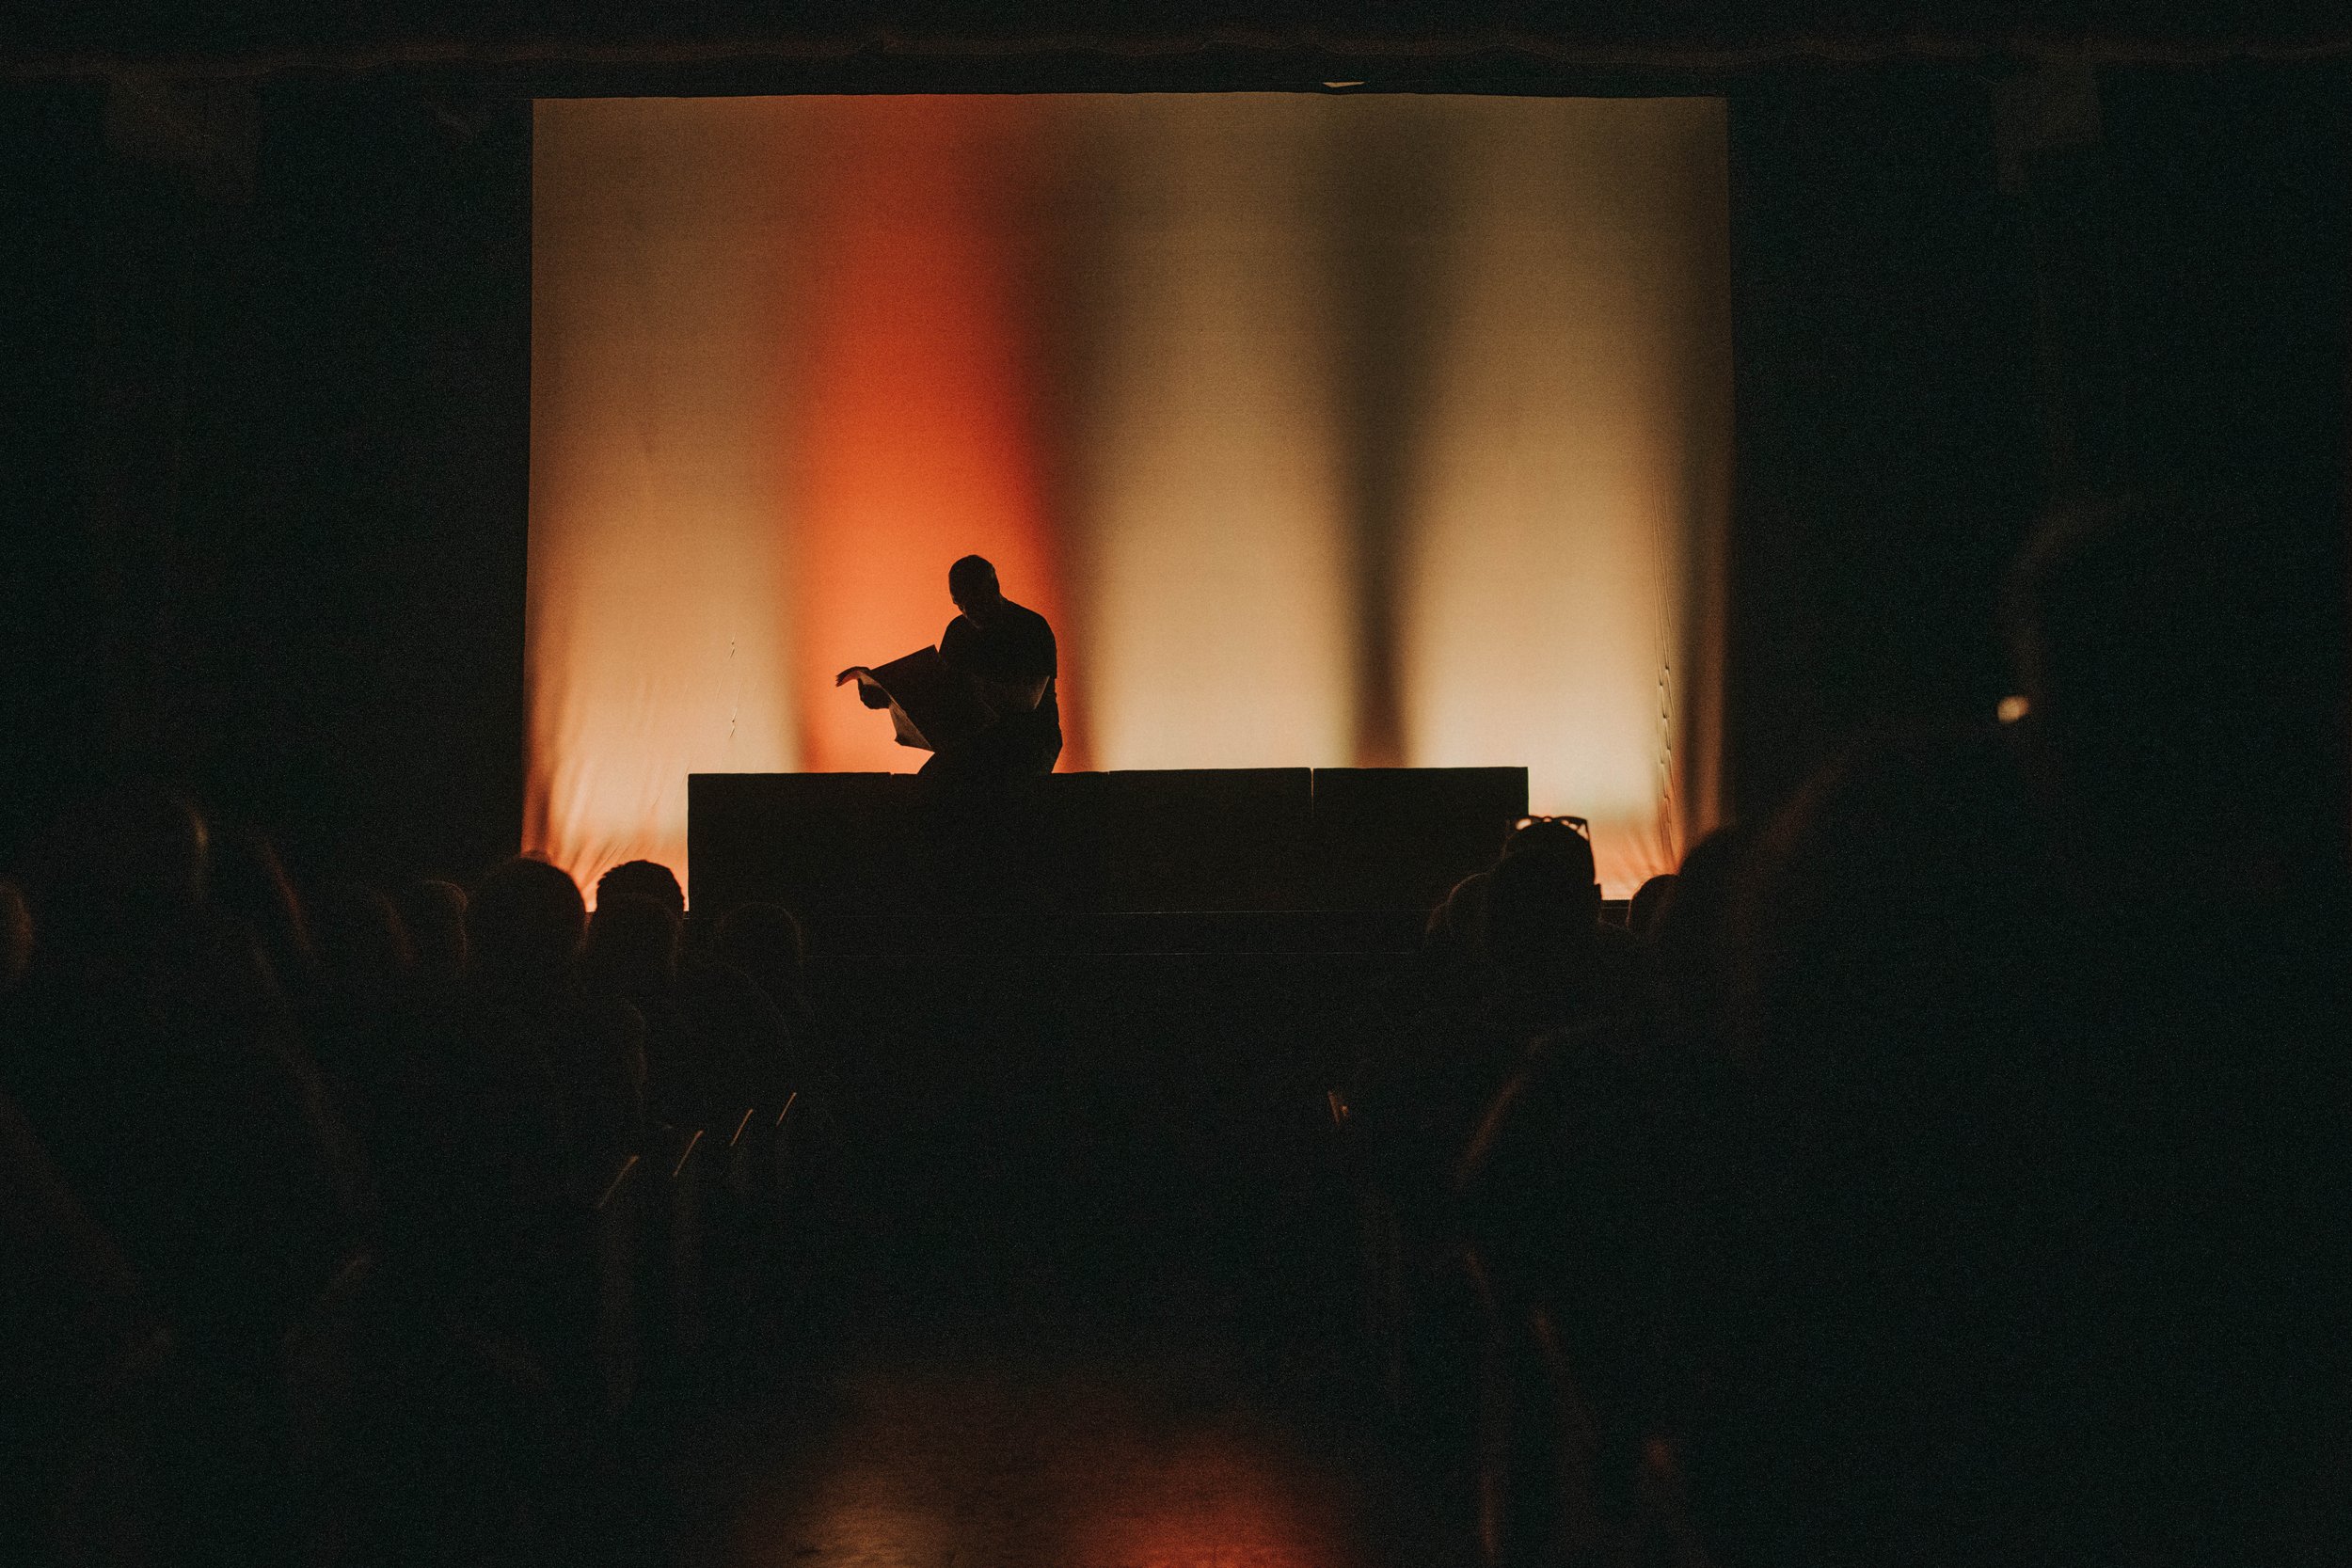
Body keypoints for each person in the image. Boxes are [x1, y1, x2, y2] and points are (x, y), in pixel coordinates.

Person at [922, 555, 1062, 791]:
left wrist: (973, 687)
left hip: (1027, 741)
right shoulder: (958, 631)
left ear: (994, 588)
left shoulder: (1031, 628)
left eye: (973, 600)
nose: (967, 611)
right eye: (959, 604)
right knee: (925, 787)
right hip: (977, 741)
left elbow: (1028, 700)